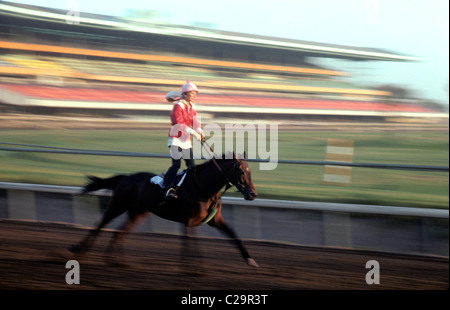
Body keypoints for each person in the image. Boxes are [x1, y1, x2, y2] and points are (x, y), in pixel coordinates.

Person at [163, 81, 204, 199]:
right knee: (176, 165)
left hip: (186, 142)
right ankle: (168, 187)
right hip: (175, 140)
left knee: (192, 167)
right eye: (192, 93)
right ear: (185, 94)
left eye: (195, 93)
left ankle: (187, 187)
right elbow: (179, 124)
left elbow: (196, 123)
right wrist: (193, 133)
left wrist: (200, 132)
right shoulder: (178, 106)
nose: (195, 95)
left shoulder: (193, 107)